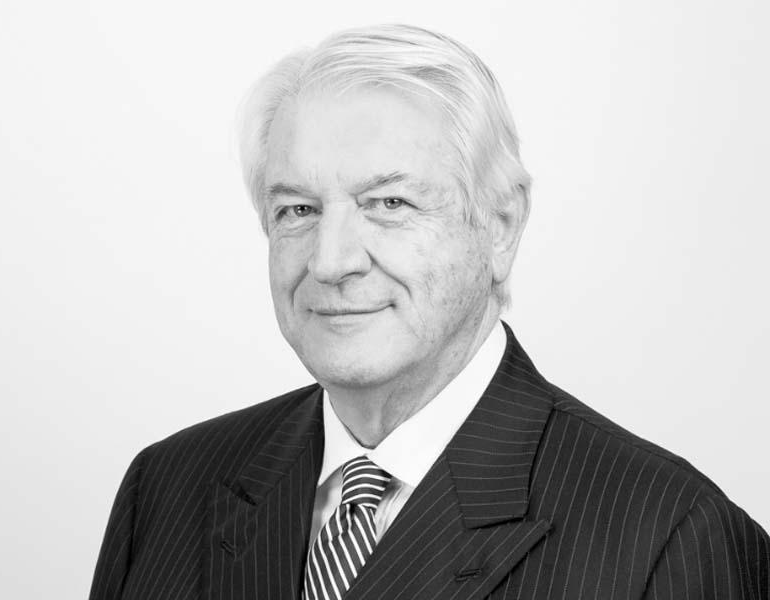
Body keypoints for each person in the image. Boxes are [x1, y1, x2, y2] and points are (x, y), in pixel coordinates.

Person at [89, 24, 769, 600]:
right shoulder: (166, 489)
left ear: (500, 226)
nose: (331, 261)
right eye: (297, 209)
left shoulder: (670, 537)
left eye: (389, 203)